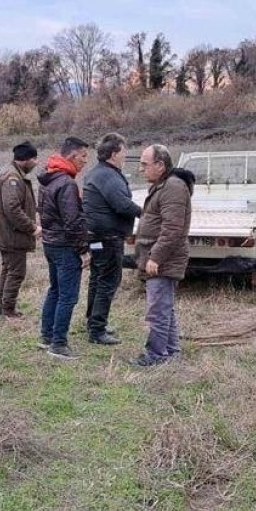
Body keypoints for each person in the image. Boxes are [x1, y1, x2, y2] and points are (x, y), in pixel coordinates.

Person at [132, 144, 194, 367]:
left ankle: (156, 355)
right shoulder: (163, 185)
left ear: (160, 165)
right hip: (160, 258)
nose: (141, 169)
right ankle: (171, 351)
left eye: (144, 164)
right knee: (164, 307)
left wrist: (155, 257)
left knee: (157, 310)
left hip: (165, 260)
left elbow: (173, 229)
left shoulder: (173, 188)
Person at [82, 132, 143, 345]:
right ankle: (97, 330)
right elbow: (122, 204)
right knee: (108, 280)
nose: (125, 156)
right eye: (123, 151)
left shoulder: (96, 172)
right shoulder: (108, 175)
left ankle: (92, 322)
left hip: (97, 236)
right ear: (114, 154)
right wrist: (144, 213)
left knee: (97, 278)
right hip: (108, 237)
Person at [38, 136, 91, 360]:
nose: (85, 161)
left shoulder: (49, 178)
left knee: (55, 290)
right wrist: (83, 250)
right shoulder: (67, 183)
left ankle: (47, 335)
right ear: (71, 155)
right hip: (65, 246)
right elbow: (72, 222)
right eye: (83, 156)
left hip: (50, 243)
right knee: (68, 296)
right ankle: (58, 344)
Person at [0, 141, 41, 318]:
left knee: (8, 269)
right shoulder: (13, 177)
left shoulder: (9, 172)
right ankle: (8, 310)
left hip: (5, 233)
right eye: (34, 159)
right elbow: (12, 208)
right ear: (26, 159)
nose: (36, 163)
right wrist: (32, 227)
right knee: (17, 272)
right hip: (11, 235)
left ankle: (1, 307)